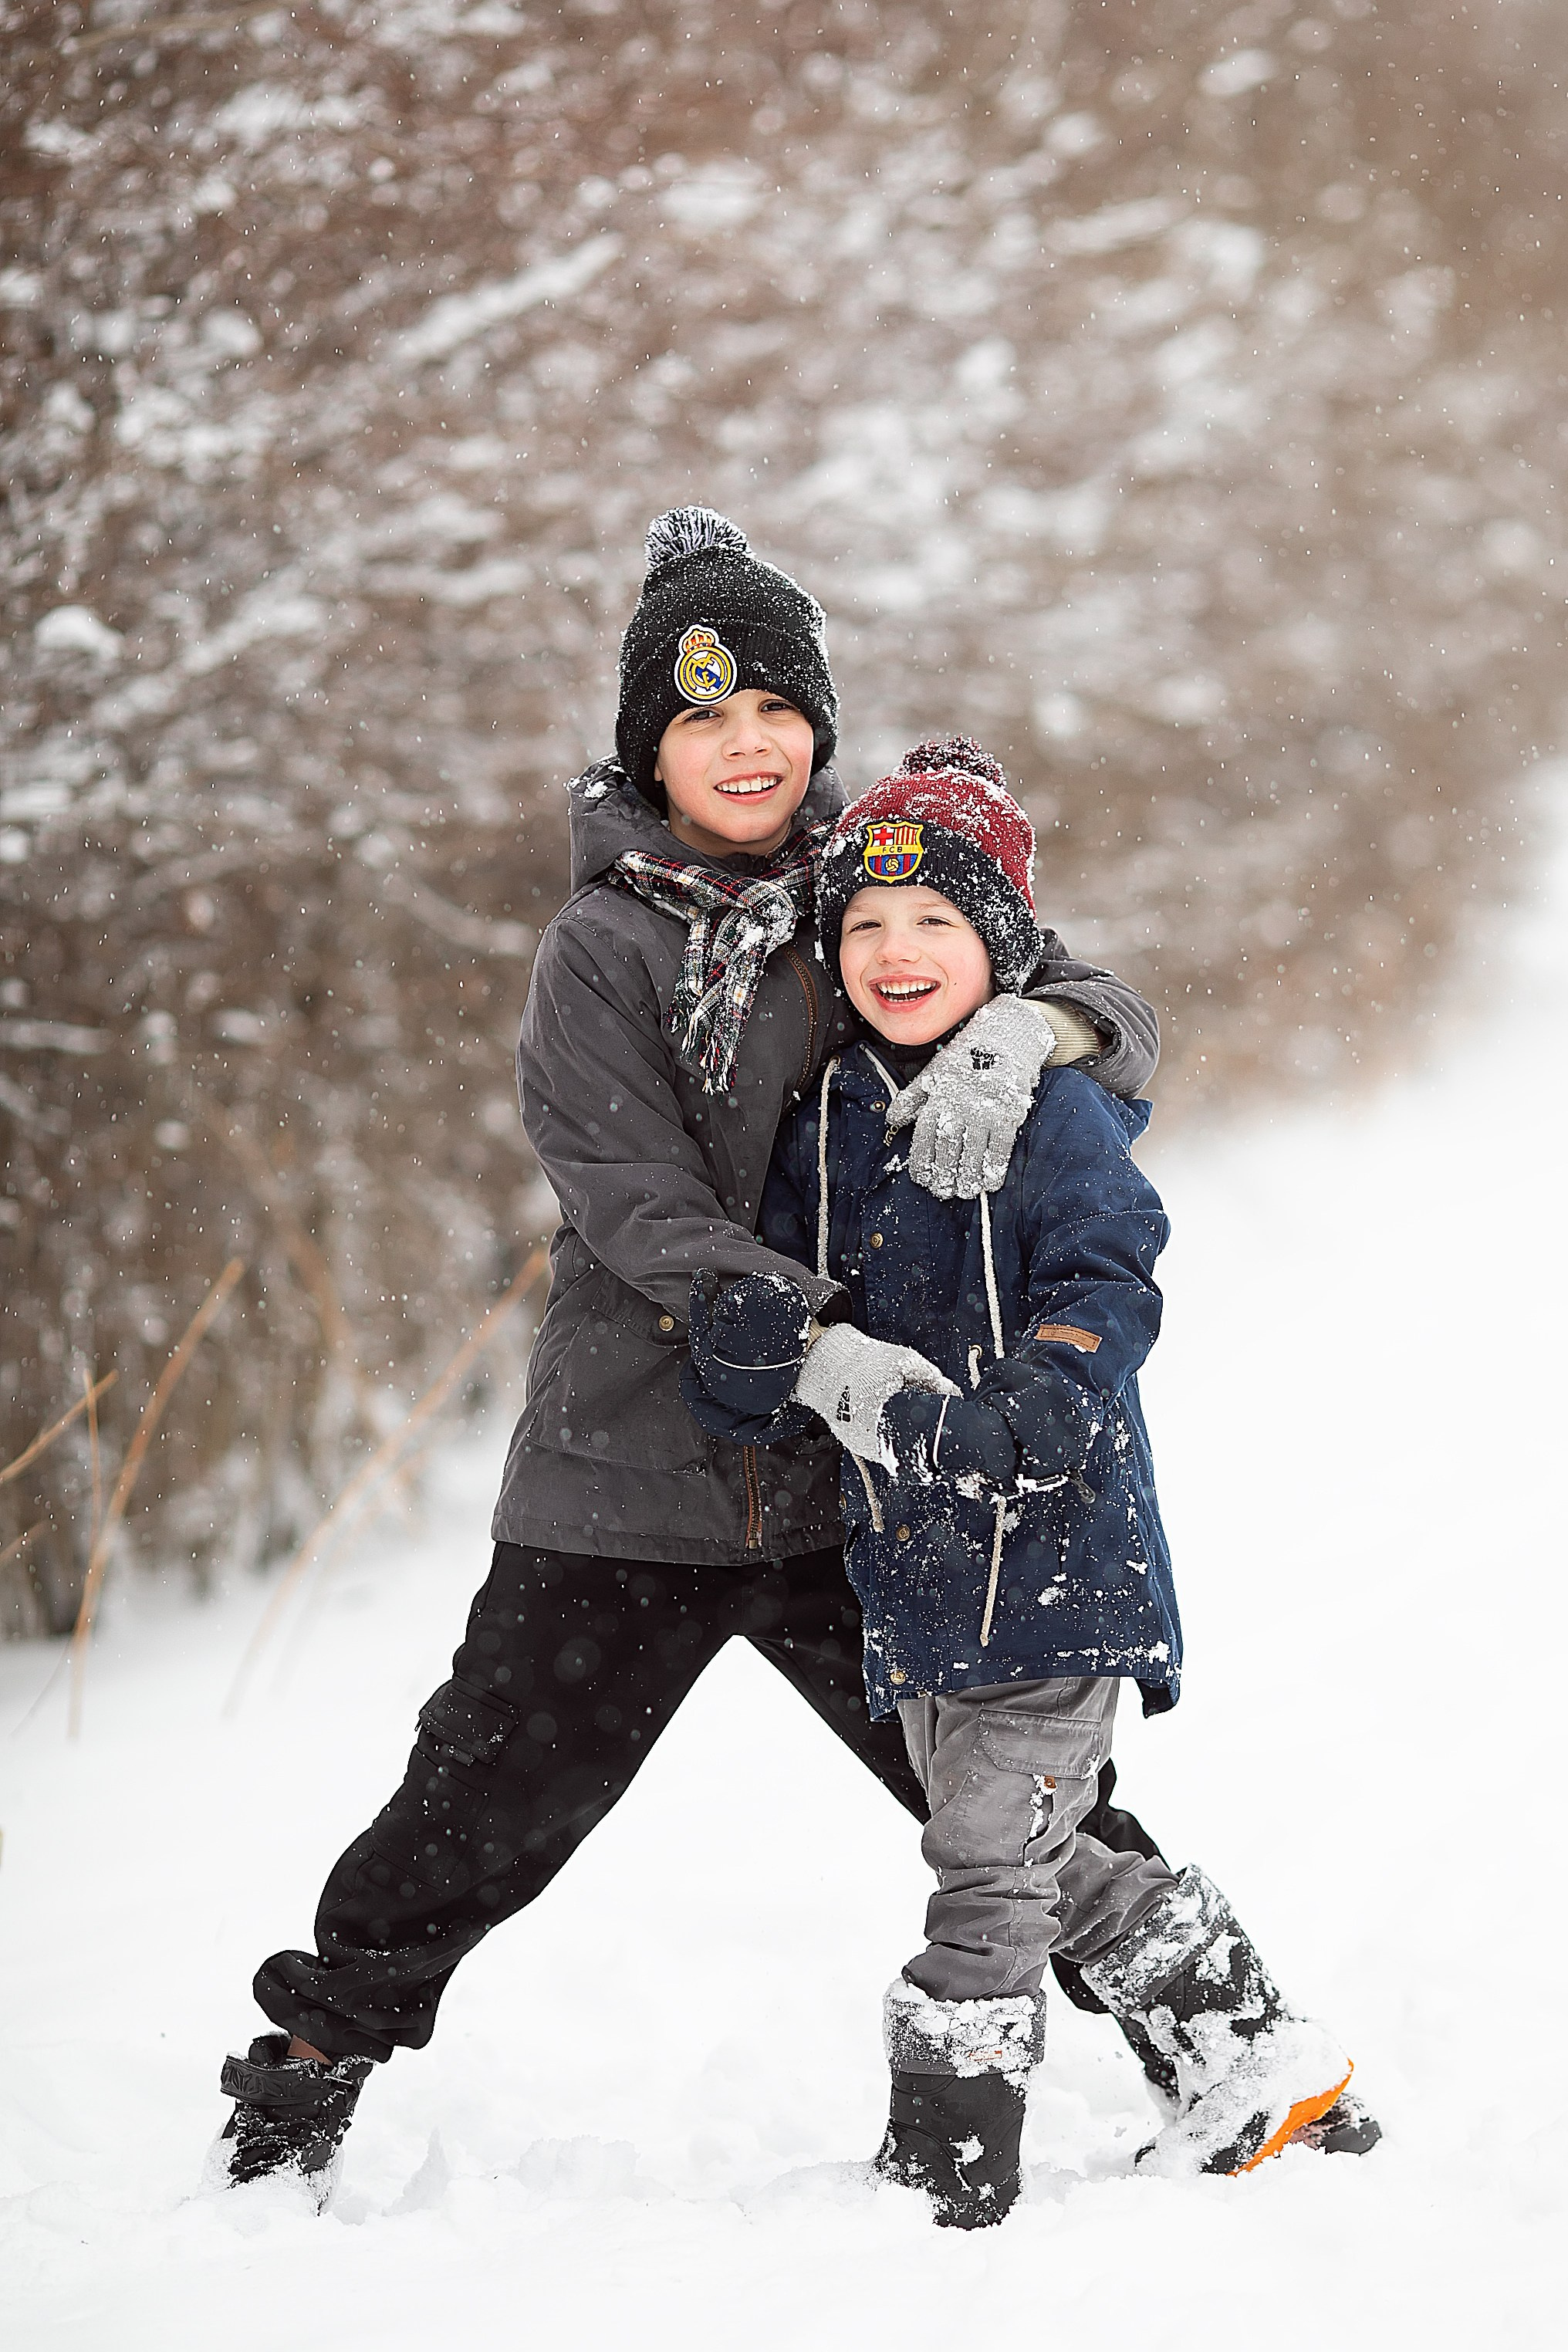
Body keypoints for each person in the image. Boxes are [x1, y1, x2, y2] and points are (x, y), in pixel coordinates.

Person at [209, 509, 1168, 2201]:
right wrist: (813, 1345)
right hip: (630, 1479)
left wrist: (1028, 1031)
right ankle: (303, 2075)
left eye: (775, 713)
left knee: (1020, 1802)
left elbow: (1112, 1013)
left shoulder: (877, 885)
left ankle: (1231, 2048)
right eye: (703, 719)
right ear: (648, 747)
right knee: (474, 1815)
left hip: (860, 1499)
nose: (747, 748)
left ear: (816, 726)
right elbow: (633, 1199)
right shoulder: (602, 948)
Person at [683, 738, 1371, 2228]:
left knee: (983, 1879)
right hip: (913, 1570)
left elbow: (1112, 1265)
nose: (895, 951)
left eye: (934, 922)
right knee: (1036, 1852)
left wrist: (1047, 1390)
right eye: (864, 926)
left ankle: (942, 2181)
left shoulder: (1046, 1106)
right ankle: (1255, 2058)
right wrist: (757, 1347)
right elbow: (796, 1312)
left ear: (997, 948)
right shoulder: (826, 1122)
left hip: (1055, 1556)